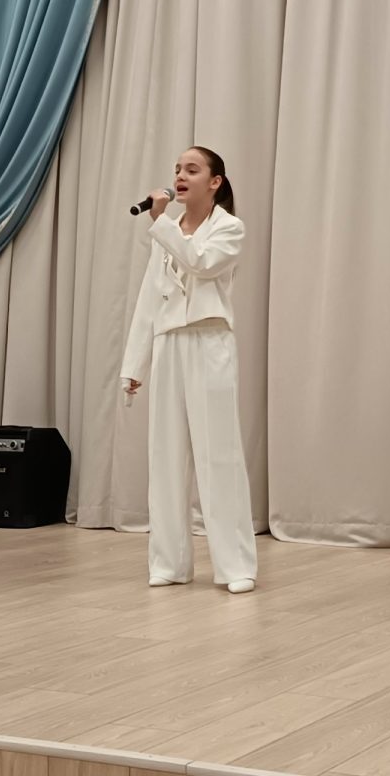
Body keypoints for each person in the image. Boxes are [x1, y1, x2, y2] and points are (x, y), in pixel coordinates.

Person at [120, 146, 257, 593]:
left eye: (192, 170)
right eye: (177, 169)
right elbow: (149, 298)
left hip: (209, 342)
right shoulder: (167, 231)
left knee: (219, 455)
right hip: (168, 344)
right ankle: (170, 562)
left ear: (215, 182)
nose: (180, 176)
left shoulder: (229, 228)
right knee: (165, 456)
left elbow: (202, 263)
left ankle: (235, 566)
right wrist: (135, 363)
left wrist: (160, 223)